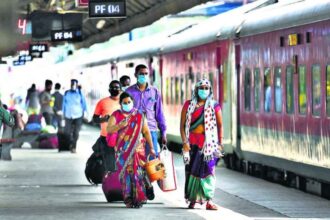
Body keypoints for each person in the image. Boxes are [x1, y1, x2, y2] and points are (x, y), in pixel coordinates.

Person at [180, 78, 223, 210]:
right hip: (192, 143)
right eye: (201, 88)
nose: (203, 90)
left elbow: (220, 126)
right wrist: (184, 142)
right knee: (192, 170)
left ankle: (209, 200)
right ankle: (192, 199)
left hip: (208, 144)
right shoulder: (188, 105)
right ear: (196, 90)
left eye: (206, 88)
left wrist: (220, 143)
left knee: (208, 171)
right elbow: (182, 126)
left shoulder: (214, 106)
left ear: (210, 90)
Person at [107, 92, 156, 208]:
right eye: (125, 103)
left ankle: (140, 196)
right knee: (127, 174)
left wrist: (152, 148)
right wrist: (119, 125)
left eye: (129, 102)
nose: (127, 104)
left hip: (138, 149)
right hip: (123, 151)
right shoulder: (116, 115)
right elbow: (109, 130)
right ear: (120, 104)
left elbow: (146, 132)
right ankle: (129, 198)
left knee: (139, 172)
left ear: (133, 102)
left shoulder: (138, 115)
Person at [126, 64, 167, 158]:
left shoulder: (155, 92)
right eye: (141, 73)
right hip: (134, 132)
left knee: (152, 161)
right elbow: (124, 113)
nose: (143, 76)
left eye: (145, 73)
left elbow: (159, 114)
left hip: (151, 131)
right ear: (135, 75)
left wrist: (163, 133)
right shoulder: (128, 92)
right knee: (134, 161)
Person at [92, 80, 121, 172]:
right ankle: (111, 182)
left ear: (120, 90)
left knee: (122, 161)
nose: (115, 89)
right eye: (112, 88)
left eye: (117, 88)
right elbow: (95, 119)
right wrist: (104, 119)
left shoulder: (125, 102)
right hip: (106, 137)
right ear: (109, 90)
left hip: (122, 136)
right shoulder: (102, 102)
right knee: (110, 162)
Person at [62, 79, 88, 153]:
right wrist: (62, 114)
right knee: (67, 132)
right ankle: (70, 143)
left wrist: (86, 113)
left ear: (76, 85)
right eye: (72, 84)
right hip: (68, 115)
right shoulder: (67, 93)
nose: (73, 85)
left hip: (78, 115)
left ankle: (74, 147)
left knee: (76, 132)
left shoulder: (80, 93)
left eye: (74, 84)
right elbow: (63, 104)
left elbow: (84, 104)